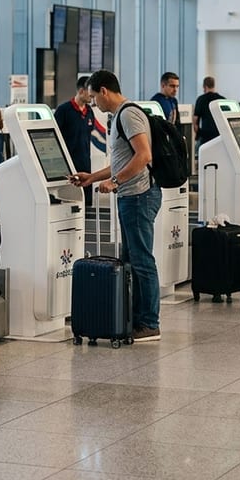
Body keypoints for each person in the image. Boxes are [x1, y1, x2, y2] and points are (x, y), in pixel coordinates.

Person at [70, 69, 161, 342]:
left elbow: (144, 155)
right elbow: (122, 161)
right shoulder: (120, 116)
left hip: (139, 196)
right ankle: (135, 319)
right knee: (132, 259)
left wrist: (115, 182)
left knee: (142, 260)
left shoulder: (128, 114)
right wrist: (93, 178)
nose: (93, 102)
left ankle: (150, 323)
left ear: (104, 91)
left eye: (94, 96)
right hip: (132, 196)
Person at [54, 77, 96, 205]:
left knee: (86, 202)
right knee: (70, 202)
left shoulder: (89, 111)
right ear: (81, 91)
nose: (92, 96)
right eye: (89, 93)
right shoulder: (63, 110)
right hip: (68, 165)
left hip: (85, 164)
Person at [192, 76, 225, 148]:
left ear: (204, 86)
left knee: (197, 151)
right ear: (214, 85)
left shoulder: (201, 99)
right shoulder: (222, 100)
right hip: (219, 137)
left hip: (205, 137)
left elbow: (195, 121)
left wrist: (198, 133)